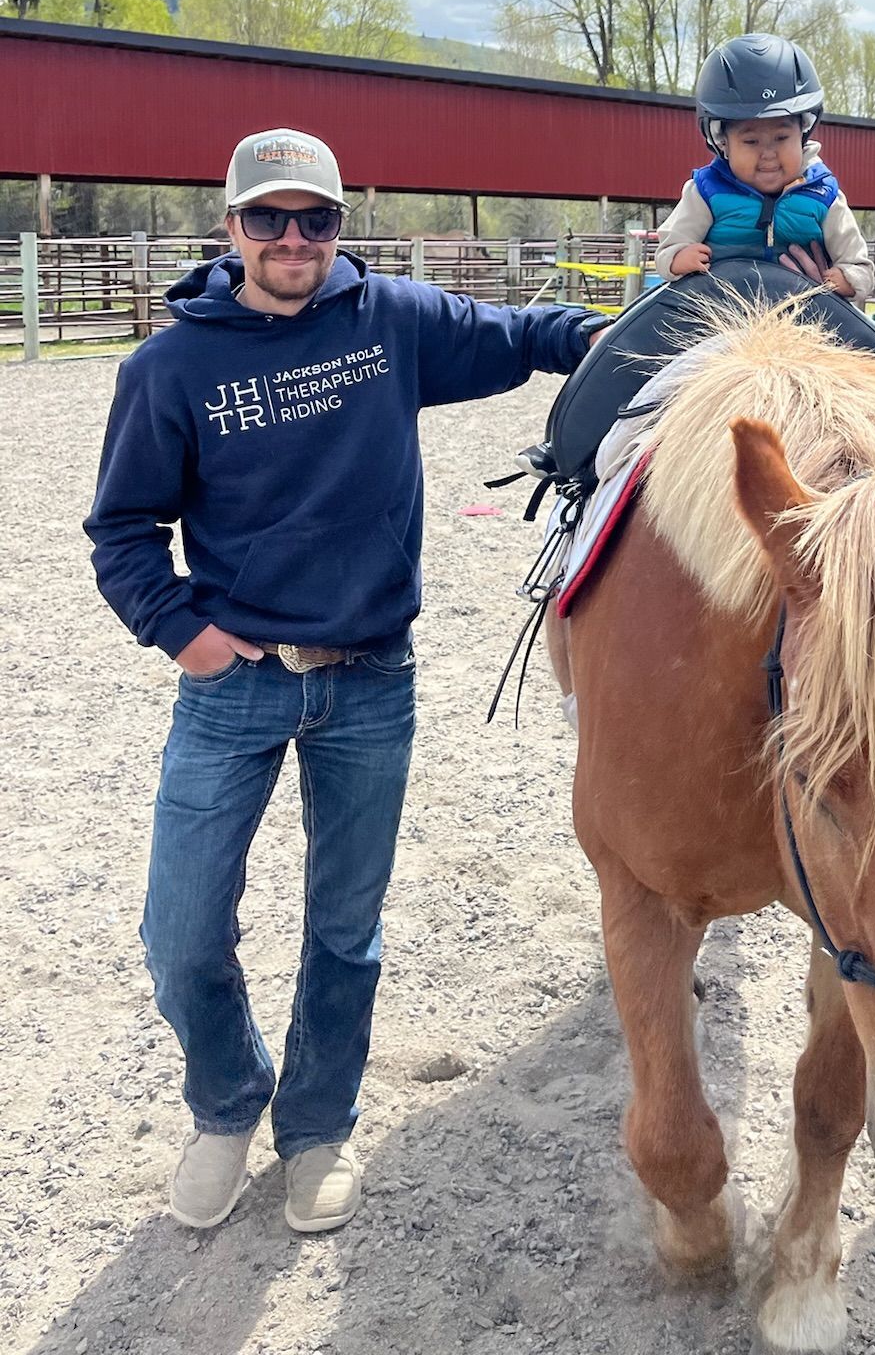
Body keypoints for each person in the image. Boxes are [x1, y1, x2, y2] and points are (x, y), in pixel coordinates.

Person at [85, 129, 603, 1237]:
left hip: (372, 679)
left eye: (314, 218)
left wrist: (640, 324)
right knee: (179, 930)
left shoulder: (394, 322)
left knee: (343, 926)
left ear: (337, 225)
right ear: (229, 227)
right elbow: (122, 530)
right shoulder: (169, 368)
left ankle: (316, 1125)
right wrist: (186, 633)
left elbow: (526, 335)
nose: (292, 239)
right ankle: (225, 1103)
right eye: (267, 217)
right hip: (237, 686)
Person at [654, 33, 875, 302]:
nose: (768, 154)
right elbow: (669, 247)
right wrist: (678, 258)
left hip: (805, 317)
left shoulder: (824, 195)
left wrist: (847, 279)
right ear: (723, 143)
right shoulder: (705, 191)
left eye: (782, 139)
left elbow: (859, 265)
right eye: (751, 141)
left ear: (803, 134)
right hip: (719, 313)